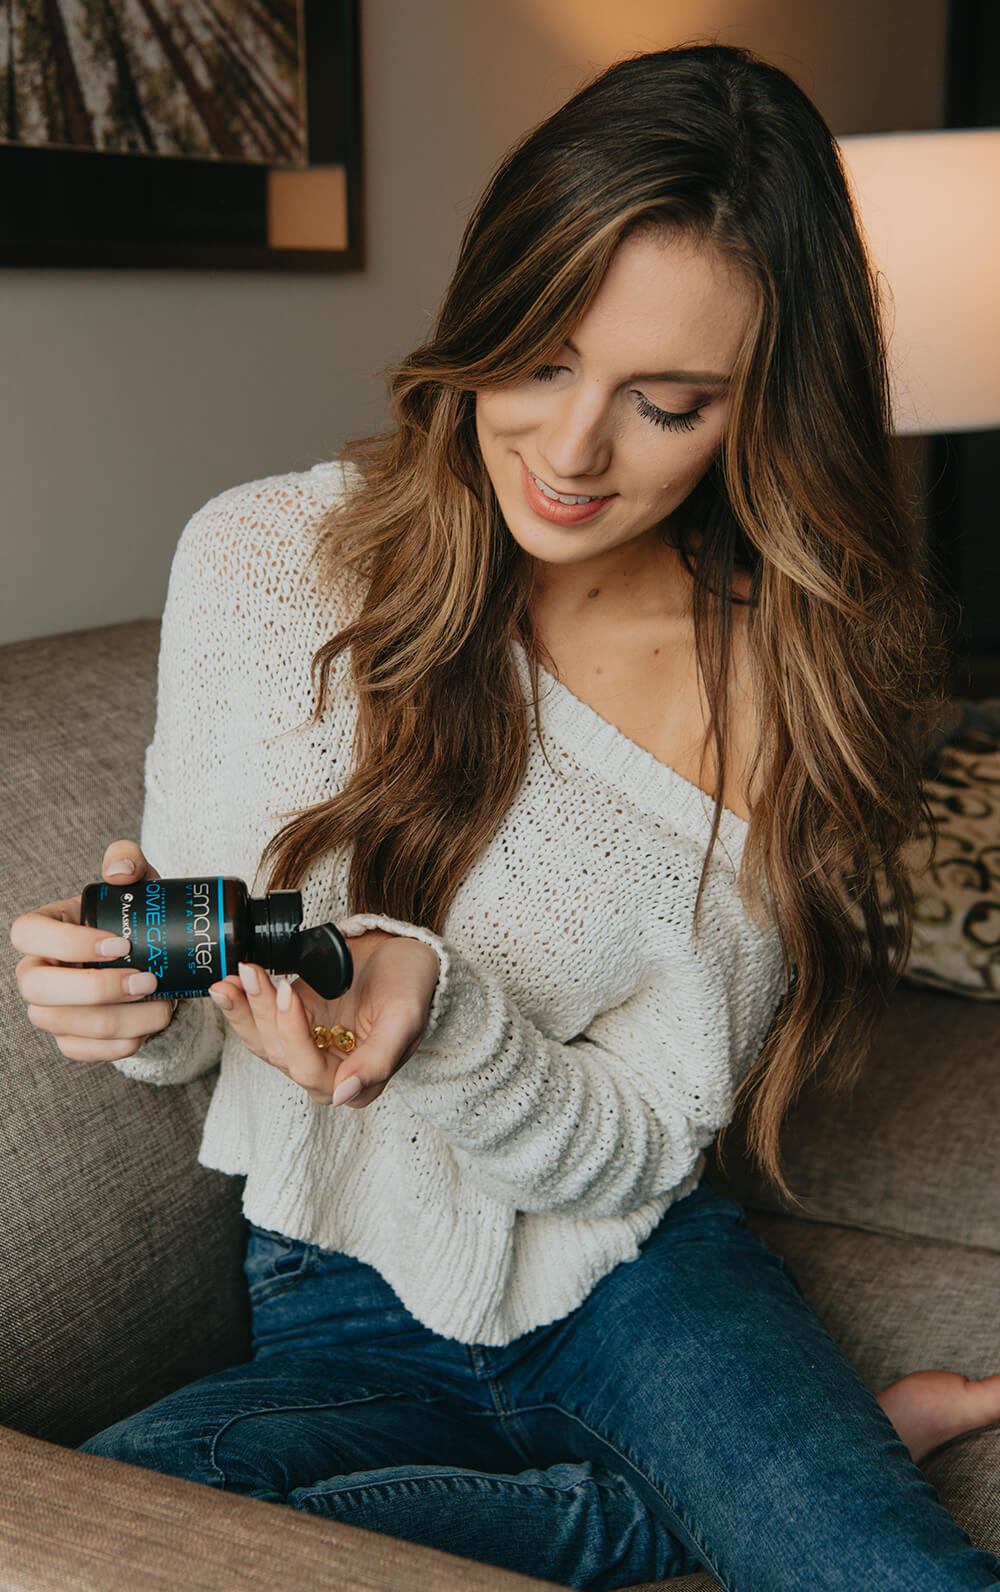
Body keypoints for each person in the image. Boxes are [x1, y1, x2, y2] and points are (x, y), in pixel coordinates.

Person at [10, 42, 1000, 1592]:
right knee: (110, 1527)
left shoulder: (779, 679)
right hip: (331, 1290)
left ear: (760, 411)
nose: (572, 450)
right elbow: (210, 1017)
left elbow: (636, 1146)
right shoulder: (263, 564)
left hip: (635, 1282)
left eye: (666, 403)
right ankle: (714, 1506)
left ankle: (787, 1490)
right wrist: (126, 1000)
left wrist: (445, 1013)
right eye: (539, 357)